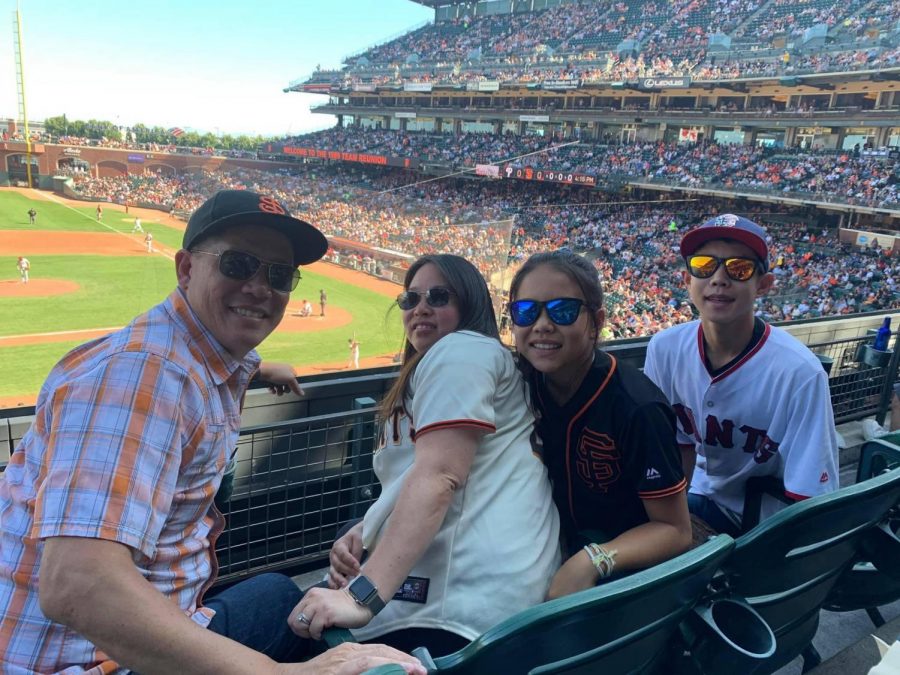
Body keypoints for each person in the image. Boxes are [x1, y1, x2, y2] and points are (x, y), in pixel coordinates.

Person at [0, 189, 424, 675]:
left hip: (125, 628)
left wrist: (259, 368)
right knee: (319, 639)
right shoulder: (142, 378)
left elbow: (206, 360)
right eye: (239, 264)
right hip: (86, 659)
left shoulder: (195, 357)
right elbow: (78, 584)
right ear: (185, 268)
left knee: (279, 594)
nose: (261, 288)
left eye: (279, 275)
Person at [291, 254, 560, 656]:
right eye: (410, 299)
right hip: (485, 597)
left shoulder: (462, 351)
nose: (420, 308)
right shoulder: (474, 359)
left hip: (457, 608)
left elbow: (440, 477)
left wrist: (362, 595)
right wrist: (369, 527)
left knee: (279, 609)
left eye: (438, 296)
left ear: (470, 304)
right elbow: (438, 472)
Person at [508, 250, 691, 600]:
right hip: (538, 547)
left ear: (596, 322)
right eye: (526, 311)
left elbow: (674, 529)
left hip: (623, 567)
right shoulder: (516, 384)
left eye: (562, 311)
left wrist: (594, 561)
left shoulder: (638, 407)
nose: (542, 324)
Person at [644, 214, 840, 537]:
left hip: (762, 521)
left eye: (739, 268)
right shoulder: (664, 348)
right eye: (704, 265)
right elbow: (674, 448)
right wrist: (671, 527)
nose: (719, 278)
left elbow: (812, 497)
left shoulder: (801, 373)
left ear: (763, 285)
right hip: (698, 496)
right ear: (686, 280)